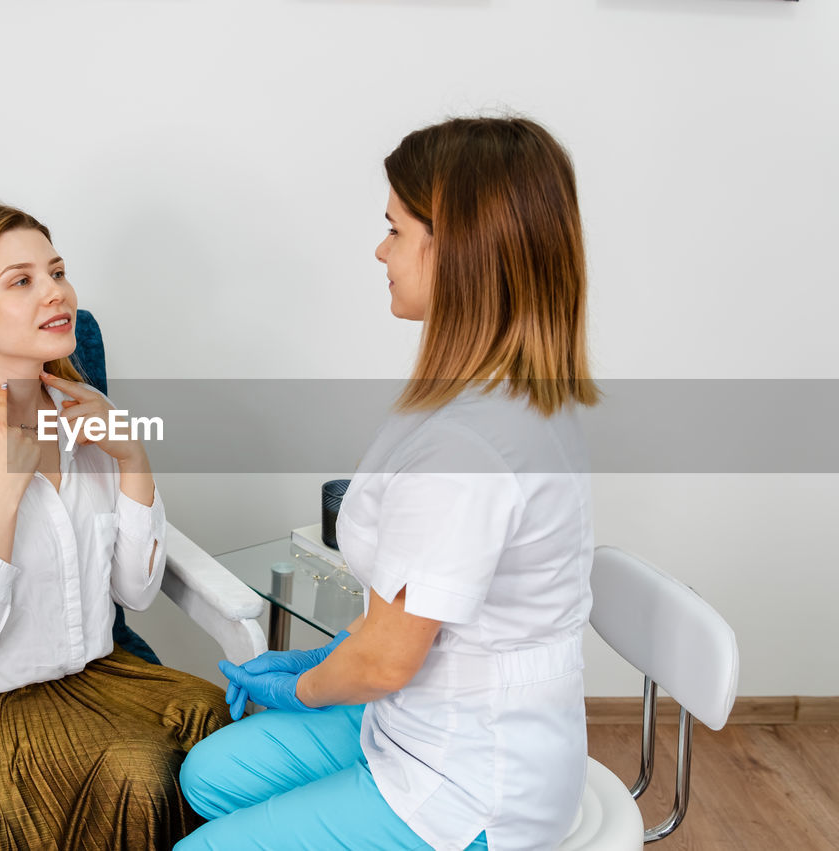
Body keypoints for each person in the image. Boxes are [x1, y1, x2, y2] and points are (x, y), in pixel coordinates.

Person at [178, 116, 601, 851]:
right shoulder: (501, 393)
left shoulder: (467, 445)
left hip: (468, 785)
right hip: (424, 714)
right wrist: (322, 658)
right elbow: (416, 618)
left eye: (396, 230)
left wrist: (307, 684)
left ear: (459, 251)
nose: (380, 250)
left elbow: (386, 659)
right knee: (208, 776)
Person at [0, 203, 229, 850]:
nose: (55, 290)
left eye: (57, 271)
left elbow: (136, 595)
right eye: (22, 279)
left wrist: (132, 458)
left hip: (87, 673)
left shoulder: (86, 417)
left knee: (216, 716)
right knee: (138, 773)